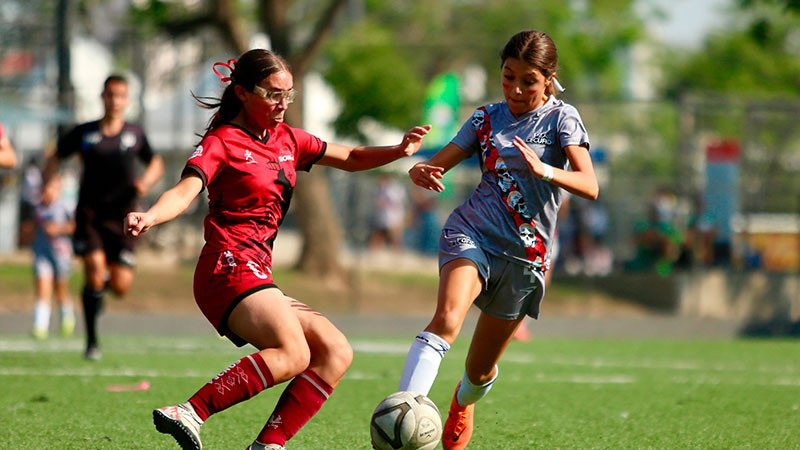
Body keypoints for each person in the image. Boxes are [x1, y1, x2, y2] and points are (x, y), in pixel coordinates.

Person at [122, 49, 430, 450]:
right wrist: (150, 215)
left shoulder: (288, 140)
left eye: (288, 95)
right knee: (292, 352)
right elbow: (185, 191)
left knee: (335, 352)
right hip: (225, 267)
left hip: (256, 272)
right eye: (272, 94)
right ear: (243, 93)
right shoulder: (223, 142)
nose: (282, 104)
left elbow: (351, 157)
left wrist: (399, 150)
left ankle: (268, 445)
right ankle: (191, 411)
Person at [398, 30, 599, 449]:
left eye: (528, 81)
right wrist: (422, 169)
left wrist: (544, 170)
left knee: (479, 371)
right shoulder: (484, 118)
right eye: (508, 77)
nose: (516, 89)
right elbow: (439, 163)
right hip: (472, 232)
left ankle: (461, 403)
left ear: (549, 80)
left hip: (526, 257)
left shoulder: (563, 118)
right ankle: (405, 410)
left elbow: (589, 184)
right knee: (448, 319)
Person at [44, 75, 165, 360]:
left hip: (126, 217)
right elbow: (55, 156)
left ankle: (96, 294)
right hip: (91, 215)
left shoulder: (135, 134)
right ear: (103, 97)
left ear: (127, 100)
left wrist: (146, 181)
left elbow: (156, 162)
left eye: (120, 95)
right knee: (94, 269)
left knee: (121, 287)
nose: (115, 101)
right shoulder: (85, 133)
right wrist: (50, 183)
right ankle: (91, 342)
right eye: (110, 95)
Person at [31, 174, 76, 339]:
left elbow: (75, 226)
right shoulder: (39, 207)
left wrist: (59, 229)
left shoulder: (65, 206)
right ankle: (40, 326)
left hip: (61, 253)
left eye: (54, 188)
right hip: (42, 252)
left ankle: (67, 318)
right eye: (47, 187)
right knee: (43, 287)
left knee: (60, 288)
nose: (49, 191)